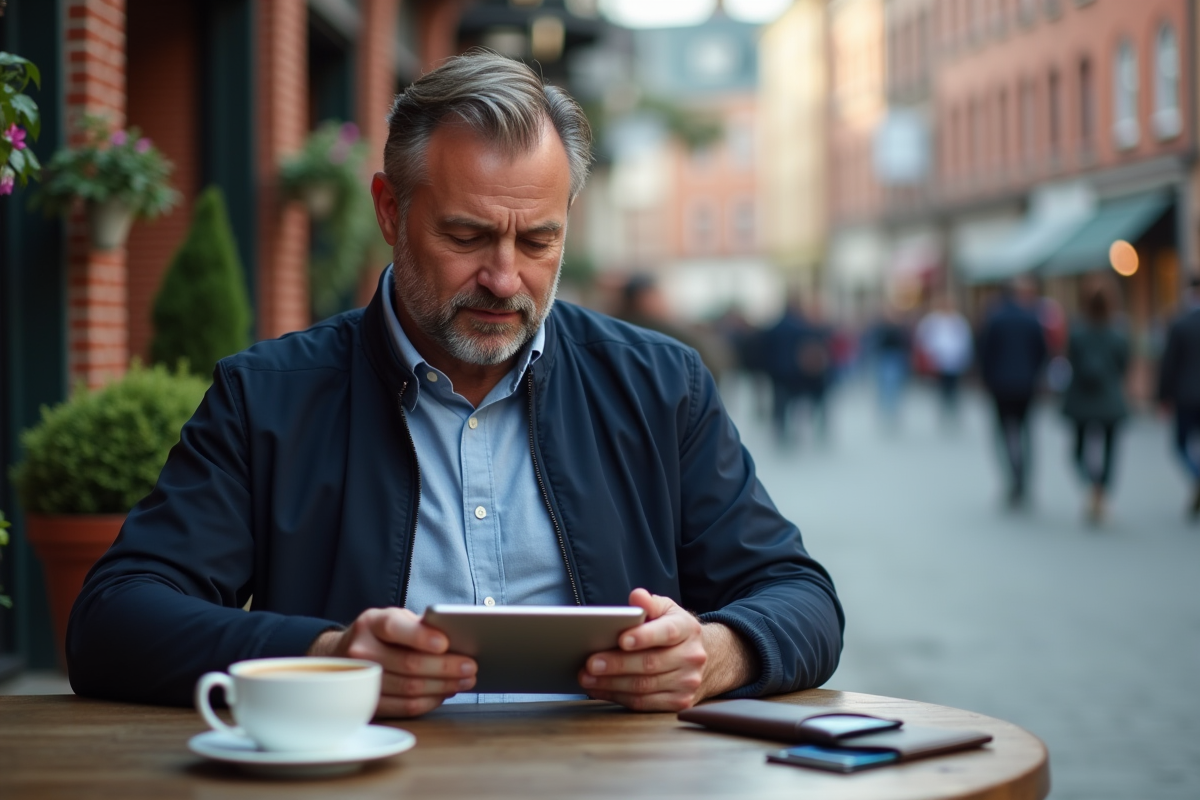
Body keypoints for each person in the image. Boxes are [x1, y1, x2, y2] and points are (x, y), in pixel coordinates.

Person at [66, 52, 843, 716]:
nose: (505, 279)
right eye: (466, 236)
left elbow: (799, 596)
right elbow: (112, 621)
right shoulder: (267, 396)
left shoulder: (659, 384)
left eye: (539, 240)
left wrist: (716, 653)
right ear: (389, 210)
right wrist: (329, 656)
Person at [1061, 282, 1129, 524]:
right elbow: (1123, 365)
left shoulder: (1078, 332)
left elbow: (1070, 361)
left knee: (1078, 450)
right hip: (1110, 399)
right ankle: (1101, 491)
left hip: (1082, 399)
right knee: (1110, 450)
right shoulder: (1118, 333)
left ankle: (1093, 486)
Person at [978, 278, 1048, 507]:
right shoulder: (1031, 318)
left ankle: (1012, 476)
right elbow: (1042, 351)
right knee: (1025, 431)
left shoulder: (995, 319)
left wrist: (986, 379)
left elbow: (985, 353)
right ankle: (1023, 478)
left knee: (1003, 432)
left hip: (1000, 385)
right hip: (1026, 384)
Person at [1157, 274, 1200, 519]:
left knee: (1181, 444)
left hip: (1185, 396)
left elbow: (1169, 364)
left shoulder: (1180, 323)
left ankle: (1196, 474)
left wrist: (1163, 396)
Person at [914, 294, 972, 423]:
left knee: (954, 387)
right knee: (942, 387)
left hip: (955, 360)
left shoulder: (958, 320)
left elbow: (965, 341)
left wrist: (965, 358)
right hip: (938, 360)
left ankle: (953, 410)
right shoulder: (932, 321)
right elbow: (923, 338)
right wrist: (930, 354)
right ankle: (944, 411)